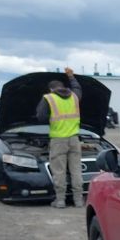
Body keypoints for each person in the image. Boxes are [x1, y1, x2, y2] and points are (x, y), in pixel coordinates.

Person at [36, 68, 83, 208]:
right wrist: (71, 76)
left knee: (59, 171)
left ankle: (60, 200)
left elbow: (41, 117)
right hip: (74, 139)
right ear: (62, 87)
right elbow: (77, 87)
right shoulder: (74, 96)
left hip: (58, 140)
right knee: (76, 171)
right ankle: (79, 200)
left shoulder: (49, 98)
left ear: (51, 89)